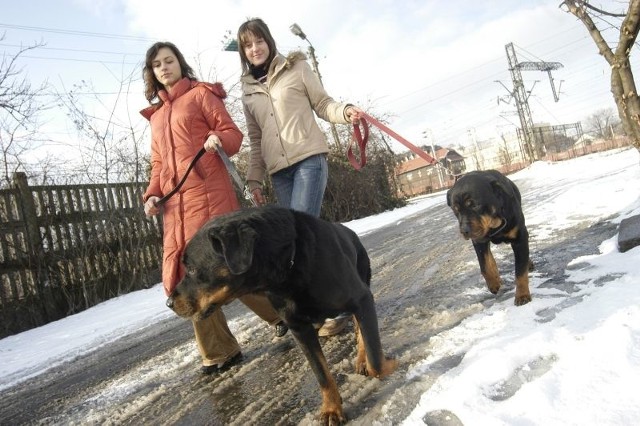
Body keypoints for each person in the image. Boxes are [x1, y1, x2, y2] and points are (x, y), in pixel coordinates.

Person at [141, 41, 288, 375]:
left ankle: (284, 314)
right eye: (157, 64)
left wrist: (217, 139)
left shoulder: (201, 95)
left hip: (211, 199)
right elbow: (159, 164)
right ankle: (220, 350)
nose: (164, 68)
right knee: (186, 276)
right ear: (151, 72)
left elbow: (232, 134)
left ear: (180, 63)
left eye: (169, 61)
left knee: (233, 268)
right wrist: (152, 195)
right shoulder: (157, 116)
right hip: (174, 209)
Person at [236, 18, 363, 337]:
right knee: (294, 241)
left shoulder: (296, 67)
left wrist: (345, 111)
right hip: (279, 172)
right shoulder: (248, 91)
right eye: (248, 45)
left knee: (303, 236)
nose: (255, 48)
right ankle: (327, 303)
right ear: (243, 52)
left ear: (268, 41)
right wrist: (254, 178)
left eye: (259, 41)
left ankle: (332, 309)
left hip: (309, 159)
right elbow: (255, 139)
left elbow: (322, 103)